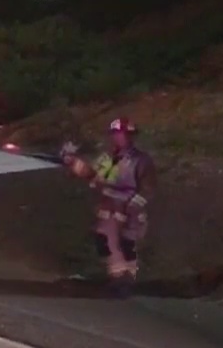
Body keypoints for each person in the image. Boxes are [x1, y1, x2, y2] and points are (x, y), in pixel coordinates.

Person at [60, 117, 157, 294]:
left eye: (125, 134)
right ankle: (119, 277)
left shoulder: (141, 160)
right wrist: (73, 162)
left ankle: (126, 279)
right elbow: (94, 176)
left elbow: (148, 187)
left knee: (127, 243)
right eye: (117, 134)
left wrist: (134, 206)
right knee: (104, 241)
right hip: (109, 209)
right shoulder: (109, 158)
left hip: (129, 209)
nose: (121, 138)